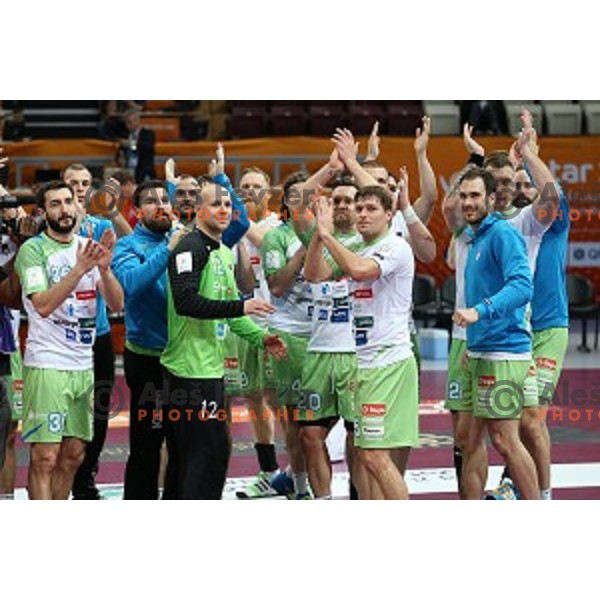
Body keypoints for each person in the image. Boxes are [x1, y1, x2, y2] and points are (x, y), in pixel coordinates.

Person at [160, 180, 287, 499]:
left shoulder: (221, 252)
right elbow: (187, 303)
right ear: (198, 210)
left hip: (210, 371)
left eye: (228, 204)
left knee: (198, 458)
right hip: (188, 373)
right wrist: (240, 305)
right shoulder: (188, 248)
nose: (223, 209)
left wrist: (261, 338)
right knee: (206, 457)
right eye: (215, 203)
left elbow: (232, 313)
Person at [305, 185, 418, 500]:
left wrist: (328, 236)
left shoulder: (394, 247)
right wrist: (318, 233)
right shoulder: (360, 247)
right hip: (365, 362)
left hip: (388, 363)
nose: (363, 213)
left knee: (373, 455)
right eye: (360, 208)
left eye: (371, 208)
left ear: (389, 214)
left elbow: (360, 271)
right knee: (369, 457)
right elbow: (314, 274)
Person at [15, 180, 123, 500]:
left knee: (74, 455)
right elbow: (44, 305)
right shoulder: (33, 250)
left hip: (82, 366)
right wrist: (80, 269)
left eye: (68, 202)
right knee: (45, 458)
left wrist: (103, 269)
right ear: (43, 212)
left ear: (77, 207)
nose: (64, 210)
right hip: (46, 364)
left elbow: (117, 305)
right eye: (55, 204)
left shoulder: (88, 247)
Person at [453, 168, 539, 500]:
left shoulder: (502, 234)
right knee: (469, 439)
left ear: (491, 198)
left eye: (475, 196)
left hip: (504, 352)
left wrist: (480, 311)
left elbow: (522, 286)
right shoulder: (475, 236)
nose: (467, 203)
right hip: (480, 350)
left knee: (504, 440)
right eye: (463, 196)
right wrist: (473, 343)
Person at [61, 163, 131, 499]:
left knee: (99, 410)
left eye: (84, 183)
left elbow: (134, 242)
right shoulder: (49, 227)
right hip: (59, 337)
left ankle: (86, 478)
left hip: (98, 334)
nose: (78, 188)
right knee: (65, 411)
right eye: (72, 182)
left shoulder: (102, 226)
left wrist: (115, 212)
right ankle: (63, 475)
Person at [120, 108, 155, 183]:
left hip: (143, 170)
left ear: (137, 121)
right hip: (128, 169)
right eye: (126, 123)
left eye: (130, 122)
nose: (127, 126)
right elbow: (121, 150)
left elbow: (147, 147)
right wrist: (120, 157)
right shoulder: (125, 134)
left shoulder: (147, 134)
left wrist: (131, 144)